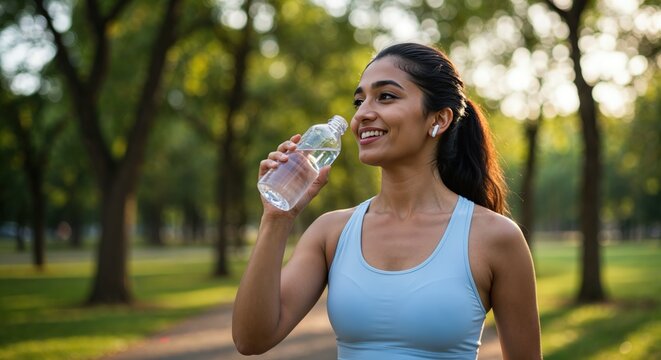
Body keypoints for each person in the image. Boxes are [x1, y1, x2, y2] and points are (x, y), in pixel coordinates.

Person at [232, 42, 542, 359]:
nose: (362, 114)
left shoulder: (495, 237)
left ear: (440, 119)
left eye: (386, 97)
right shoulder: (332, 233)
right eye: (359, 100)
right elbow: (251, 339)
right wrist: (277, 217)